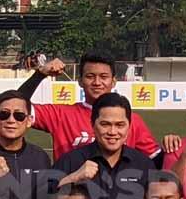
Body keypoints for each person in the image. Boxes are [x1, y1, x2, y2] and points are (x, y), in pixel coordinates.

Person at [51, 92, 156, 199]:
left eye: (120, 125)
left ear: (129, 125)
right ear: (93, 124)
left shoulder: (144, 164)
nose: (113, 132)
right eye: (105, 124)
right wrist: (73, 178)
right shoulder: (70, 161)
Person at [17, 51, 161, 160]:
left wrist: (171, 144)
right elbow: (15, 106)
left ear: (114, 81)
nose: (97, 82)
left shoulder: (132, 120)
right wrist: (40, 75)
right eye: (90, 76)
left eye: (103, 77)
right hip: (70, 196)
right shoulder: (60, 114)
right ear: (80, 81)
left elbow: (156, 161)